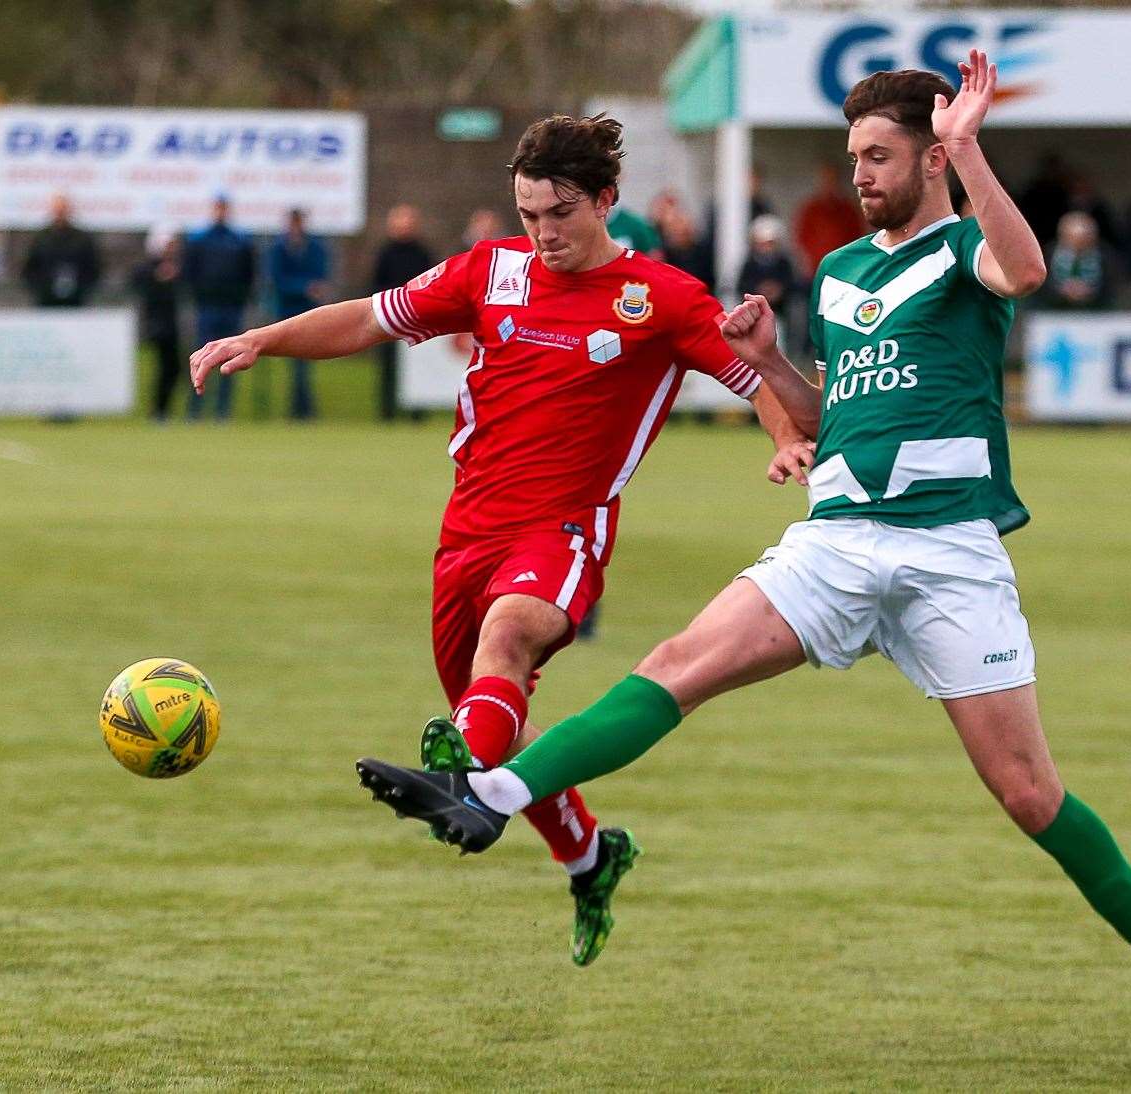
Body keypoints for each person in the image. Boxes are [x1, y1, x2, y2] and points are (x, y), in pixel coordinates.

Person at [355, 55, 1131, 1057]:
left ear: (932, 156)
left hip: (947, 551)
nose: (856, 172)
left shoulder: (962, 253)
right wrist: (769, 362)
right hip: (836, 539)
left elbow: (1023, 271)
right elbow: (829, 417)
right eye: (851, 153)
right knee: (676, 664)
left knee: (1026, 792)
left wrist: (974, 149)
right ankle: (490, 792)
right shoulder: (840, 270)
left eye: (878, 154)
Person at [191, 113, 796, 965]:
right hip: (465, 531)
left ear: (606, 201)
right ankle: (589, 854)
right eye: (529, 214)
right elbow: (369, 318)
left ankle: (456, 788)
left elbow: (751, 375)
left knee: (509, 636)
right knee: (496, 718)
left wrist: (784, 437)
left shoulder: (659, 296)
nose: (544, 233)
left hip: (564, 527)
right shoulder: (490, 271)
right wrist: (262, 338)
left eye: (561, 214)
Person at [184, 196, 255, 421]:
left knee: (229, 359)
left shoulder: (239, 241)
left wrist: (240, 298)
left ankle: (222, 410)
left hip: (231, 307)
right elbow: (191, 273)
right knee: (202, 356)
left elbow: (249, 274)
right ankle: (195, 408)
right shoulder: (200, 240)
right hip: (207, 306)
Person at [370, 204, 435, 420]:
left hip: (417, 319)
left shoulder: (423, 252)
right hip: (389, 317)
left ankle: (417, 413)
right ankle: (387, 412)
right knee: (389, 369)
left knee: (418, 369)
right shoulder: (385, 253)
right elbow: (375, 284)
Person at [268, 208, 330, 420]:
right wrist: (304, 287)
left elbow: (322, 274)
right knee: (297, 366)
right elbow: (277, 280)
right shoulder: (279, 248)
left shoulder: (315, 247)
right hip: (288, 312)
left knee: (304, 366)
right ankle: (301, 410)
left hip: (309, 312)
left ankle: (302, 409)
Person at [131, 227, 184, 420]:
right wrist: (157, 277)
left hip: (171, 324)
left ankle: (162, 409)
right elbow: (138, 283)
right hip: (156, 323)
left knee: (172, 368)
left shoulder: (176, 267)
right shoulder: (149, 268)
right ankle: (158, 409)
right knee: (163, 367)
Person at [22, 194, 100, 307]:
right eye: (58, 210)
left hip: (77, 300)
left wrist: (83, 289)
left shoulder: (82, 239)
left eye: (63, 210)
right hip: (45, 299)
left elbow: (93, 268)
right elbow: (30, 269)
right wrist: (40, 289)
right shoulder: (41, 238)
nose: (60, 214)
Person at [793, 160, 865, 276]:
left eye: (832, 179)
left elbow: (858, 237)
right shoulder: (811, 209)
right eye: (826, 179)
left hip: (844, 267)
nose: (829, 183)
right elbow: (801, 237)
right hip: (817, 268)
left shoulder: (848, 209)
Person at [1043, 211, 1113, 310]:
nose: (1078, 247)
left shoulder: (1106, 256)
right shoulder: (1048, 254)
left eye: (1084, 242)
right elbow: (1041, 284)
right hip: (1052, 311)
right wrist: (1061, 290)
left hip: (1097, 312)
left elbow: (1112, 286)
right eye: (1073, 241)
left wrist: (1091, 291)